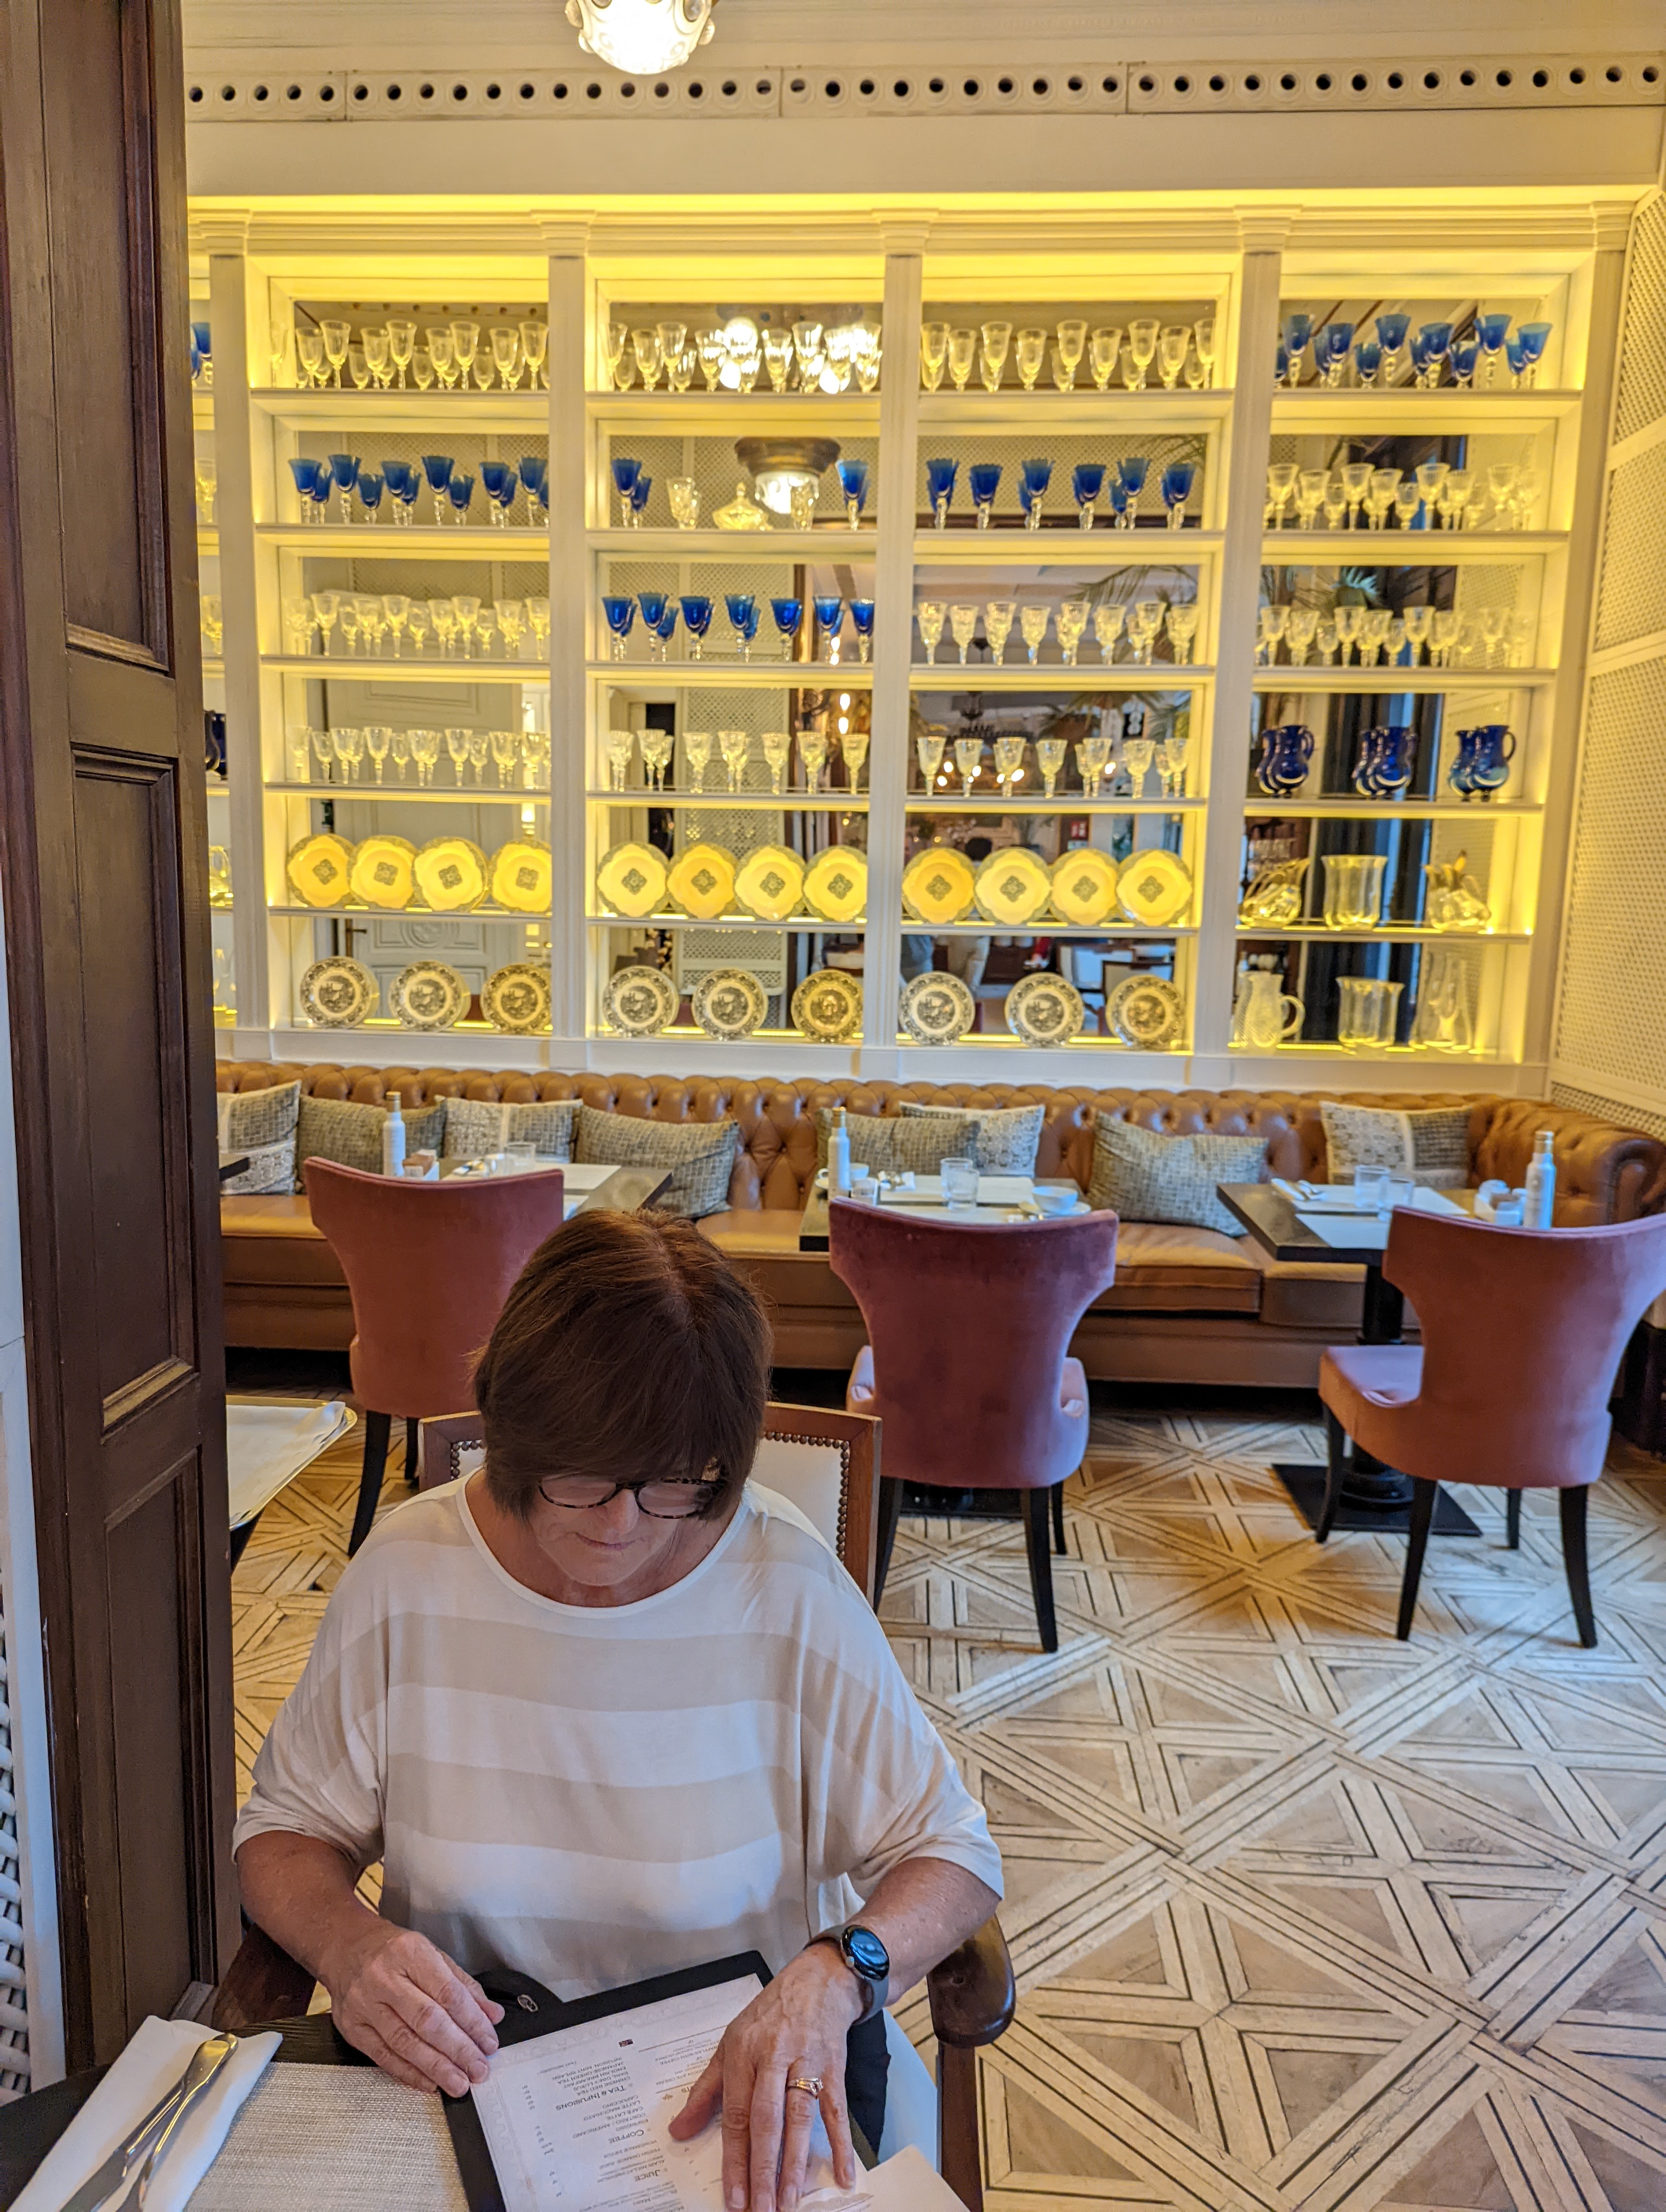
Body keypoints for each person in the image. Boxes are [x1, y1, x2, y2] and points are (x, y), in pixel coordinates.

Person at [234, 1211, 1002, 2212]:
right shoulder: (408, 1572)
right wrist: (349, 1946)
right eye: (582, 1474)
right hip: (481, 2089)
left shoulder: (785, 1581)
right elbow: (284, 1831)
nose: (620, 1524)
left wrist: (837, 1974)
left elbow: (955, 1853)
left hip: (737, 2096)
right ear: (515, 1430)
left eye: (673, 1482)